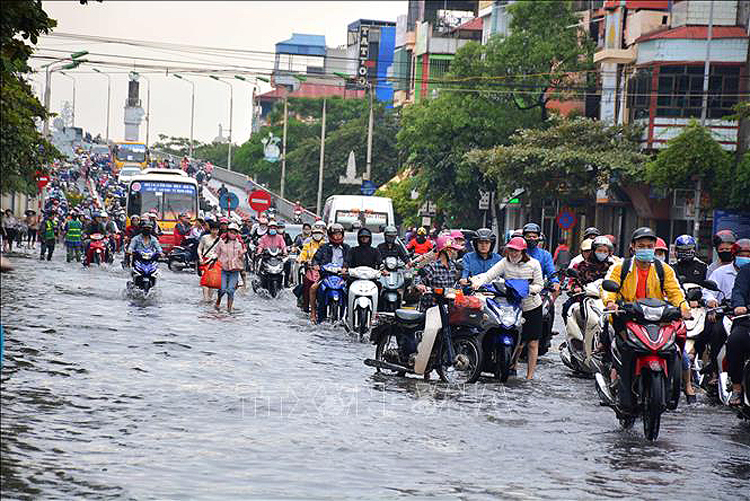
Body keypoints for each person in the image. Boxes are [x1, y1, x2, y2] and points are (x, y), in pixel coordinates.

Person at [603, 227, 690, 414]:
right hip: (627, 316)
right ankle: (624, 395)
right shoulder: (621, 267)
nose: (646, 249)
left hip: (657, 319)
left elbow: (675, 291)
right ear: (632, 247)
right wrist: (611, 302)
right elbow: (609, 288)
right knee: (626, 351)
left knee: (672, 348)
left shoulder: (663, 269)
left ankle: (670, 392)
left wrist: (683, 307)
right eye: (641, 246)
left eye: (650, 246)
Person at [470, 236, 545, 379]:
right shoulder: (504, 263)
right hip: (512, 306)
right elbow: (489, 275)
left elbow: (539, 285)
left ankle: (529, 376)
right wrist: (478, 283)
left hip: (531, 305)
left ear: (523, 251)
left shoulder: (534, 264)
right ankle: (511, 364)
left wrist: (525, 289)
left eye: (517, 251)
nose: (513, 254)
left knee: (532, 342)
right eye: (511, 250)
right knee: (517, 340)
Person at [309, 223, 350, 323]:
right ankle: (313, 313)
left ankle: (349, 316)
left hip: (342, 277)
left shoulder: (347, 248)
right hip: (326, 275)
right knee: (313, 288)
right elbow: (316, 258)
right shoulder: (324, 247)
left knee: (353, 291)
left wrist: (346, 268)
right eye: (335, 234)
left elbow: (350, 260)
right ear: (330, 235)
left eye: (339, 234)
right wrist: (315, 265)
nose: (337, 237)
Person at [415, 235, 464, 311]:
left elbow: (456, 285)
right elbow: (418, 280)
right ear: (445, 250)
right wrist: (419, 285)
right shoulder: (432, 267)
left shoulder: (454, 267)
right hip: (432, 309)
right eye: (452, 249)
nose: (455, 252)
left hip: (449, 308)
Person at [727, 257, 750, 406]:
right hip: (747, 320)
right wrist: (739, 305)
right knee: (735, 341)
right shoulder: (747, 270)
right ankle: (736, 387)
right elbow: (738, 291)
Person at [523, 222, 560, 300]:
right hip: (518, 289)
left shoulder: (545, 255)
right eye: (528, 236)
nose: (531, 239)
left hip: (538, 291)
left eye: (534, 236)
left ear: (539, 238)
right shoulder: (518, 252)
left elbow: (551, 272)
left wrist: (555, 282)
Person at [214, 222, 245, 313]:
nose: (232, 234)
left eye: (235, 233)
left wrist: (241, 256)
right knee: (222, 289)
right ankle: (218, 302)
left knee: (231, 290)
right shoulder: (221, 242)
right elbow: (216, 252)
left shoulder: (239, 244)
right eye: (231, 232)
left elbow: (242, 257)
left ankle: (229, 309)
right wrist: (213, 257)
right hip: (223, 269)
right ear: (227, 232)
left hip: (234, 270)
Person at [297, 223, 326, 311]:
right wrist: (301, 259)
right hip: (310, 269)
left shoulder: (325, 245)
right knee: (306, 282)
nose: (317, 235)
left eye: (319, 233)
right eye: (315, 233)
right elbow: (303, 254)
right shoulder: (308, 244)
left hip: (322, 270)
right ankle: (305, 304)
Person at [197, 220, 221, 301]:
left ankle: (209, 298)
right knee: (204, 280)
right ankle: (205, 298)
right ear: (210, 229)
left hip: (214, 262)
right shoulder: (204, 238)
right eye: (213, 229)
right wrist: (200, 257)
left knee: (212, 281)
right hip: (204, 260)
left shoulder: (220, 241)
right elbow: (199, 249)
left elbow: (220, 252)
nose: (215, 231)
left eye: (216, 230)